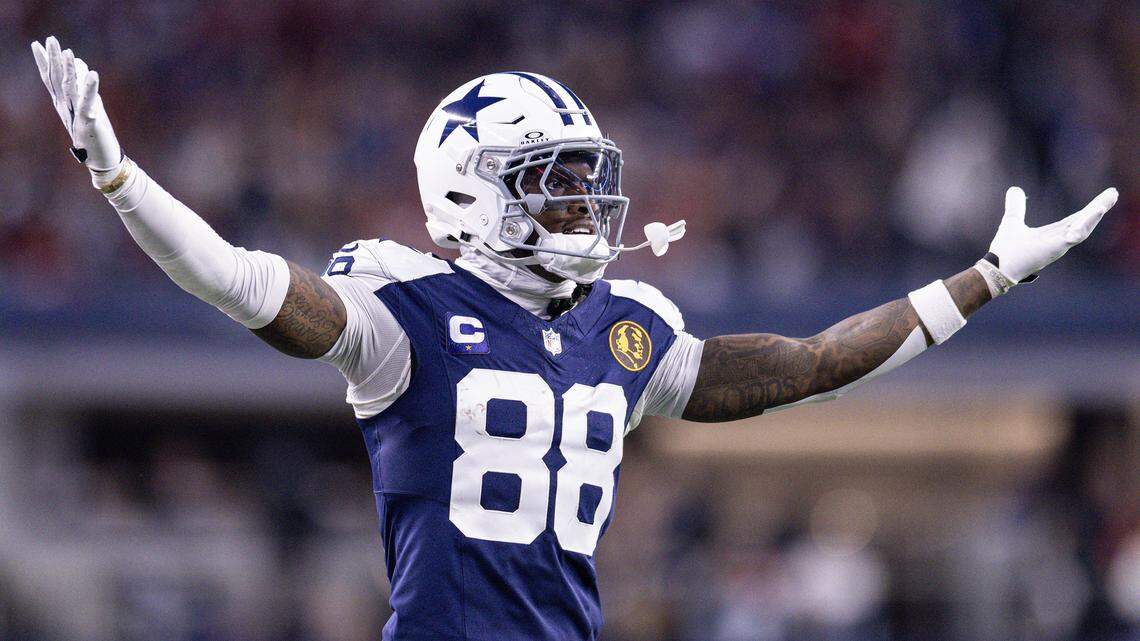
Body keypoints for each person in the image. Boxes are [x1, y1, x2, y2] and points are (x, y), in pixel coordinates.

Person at [30, 36, 1118, 641]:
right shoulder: (403, 315)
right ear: (468, 191)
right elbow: (237, 280)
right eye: (553, 183)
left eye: (588, 181)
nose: (584, 206)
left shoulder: (628, 330)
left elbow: (814, 364)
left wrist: (983, 277)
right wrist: (120, 180)